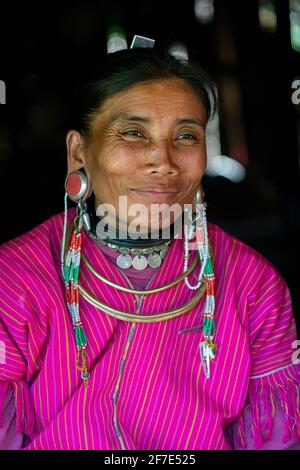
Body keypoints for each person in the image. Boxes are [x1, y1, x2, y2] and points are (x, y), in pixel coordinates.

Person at [0, 39, 299, 451]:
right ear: (79, 151)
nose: (163, 160)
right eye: (134, 133)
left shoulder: (254, 285)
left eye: (186, 136)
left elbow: (276, 439)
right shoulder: (15, 280)